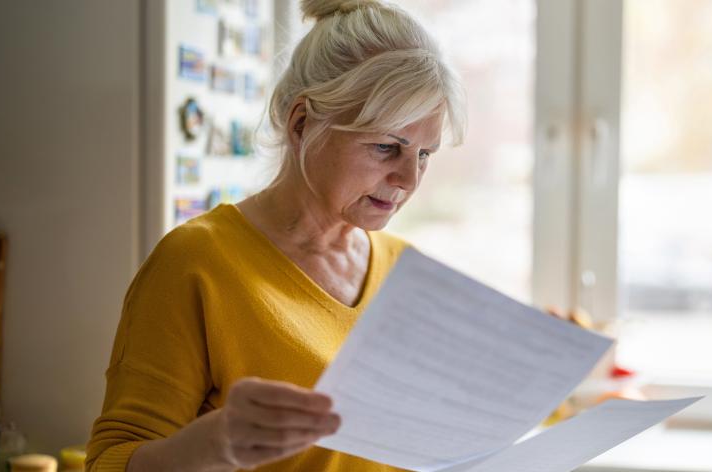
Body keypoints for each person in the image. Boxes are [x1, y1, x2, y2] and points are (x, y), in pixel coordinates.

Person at [85, 0, 465, 470]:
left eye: (425, 154)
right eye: (387, 147)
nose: (409, 179)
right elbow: (110, 461)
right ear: (302, 123)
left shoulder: (407, 269)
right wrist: (213, 445)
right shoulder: (196, 262)